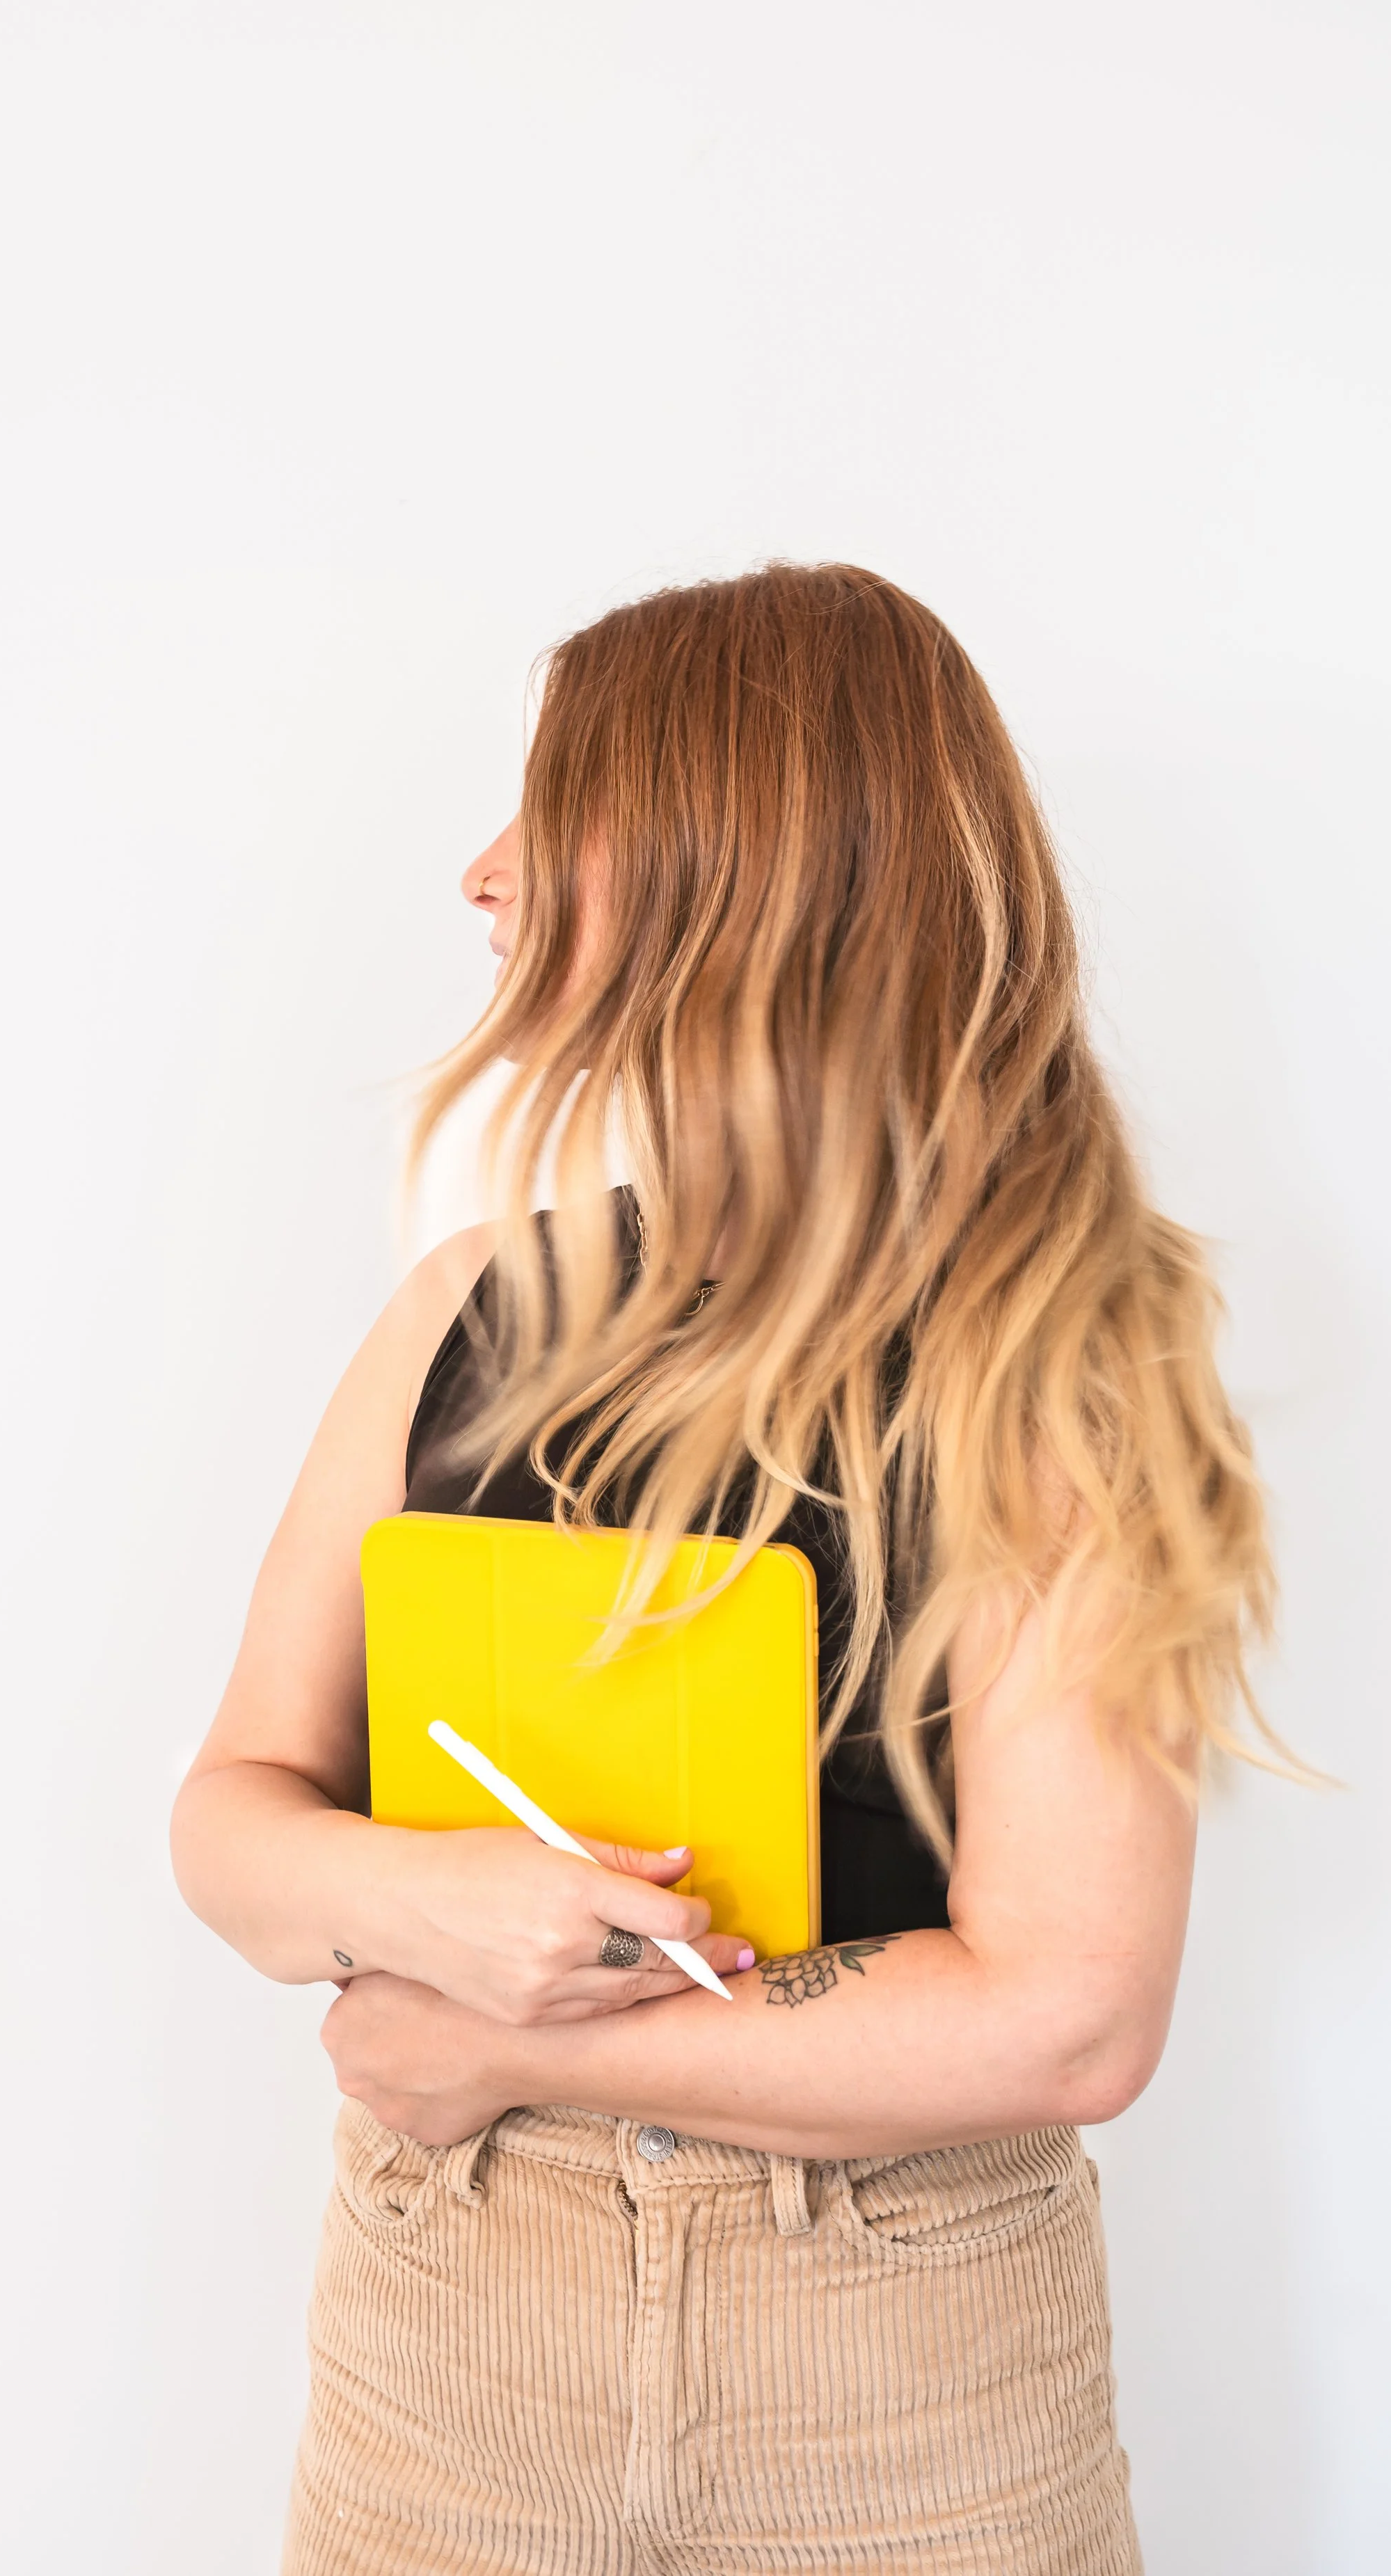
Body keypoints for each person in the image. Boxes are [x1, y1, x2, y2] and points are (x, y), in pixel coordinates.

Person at [170, 564, 1278, 2575]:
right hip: (452, 2348)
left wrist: (503, 2032)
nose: (481, 873)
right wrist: (420, 1900)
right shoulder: (459, 1313)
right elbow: (230, 1817)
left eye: (554, 806)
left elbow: (1069, 2019)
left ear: (732, 869)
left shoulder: (1047, 1360)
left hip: (894, 2369)